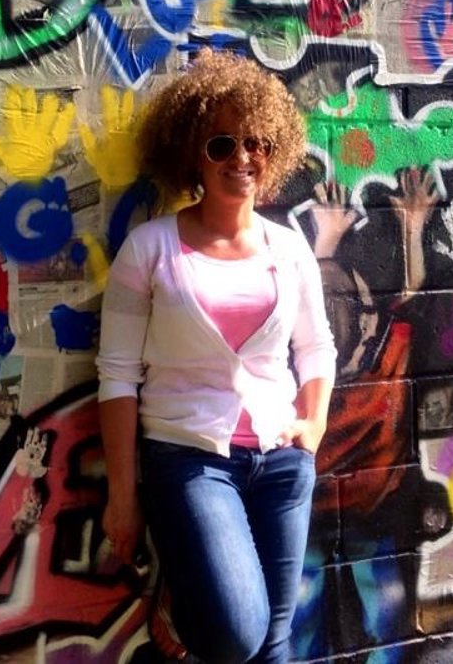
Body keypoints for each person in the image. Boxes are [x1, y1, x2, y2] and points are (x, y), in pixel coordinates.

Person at [96, 50, 336, 664]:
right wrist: (123, 497)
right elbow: (117, 376)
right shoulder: (149, 249)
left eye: (257, 143)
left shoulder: (289, 249)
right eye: (222, 144)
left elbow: (316, 347)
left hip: (282, 462)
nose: (242, 158)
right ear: (192, 154)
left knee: (273, 645)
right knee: (235, 634)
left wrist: (313, 426)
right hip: (189, 462)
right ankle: (183, 611)